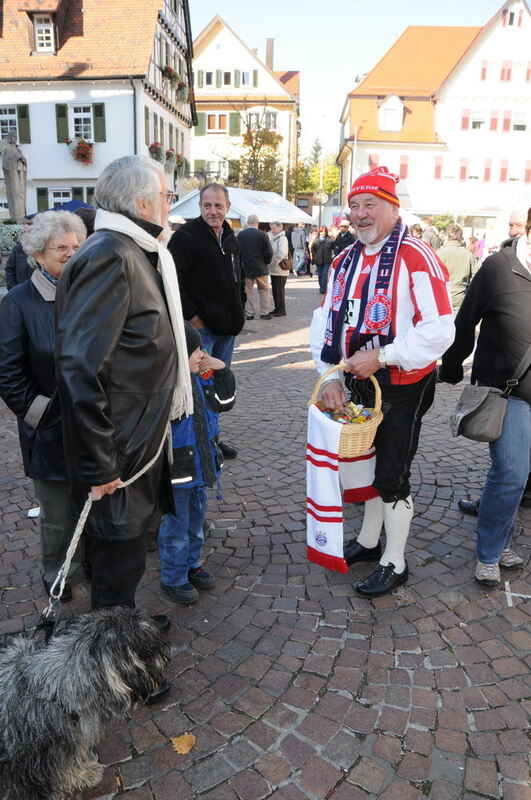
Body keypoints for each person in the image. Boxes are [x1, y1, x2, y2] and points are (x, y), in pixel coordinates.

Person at [55, 156, 191, 645]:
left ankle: (124, 623)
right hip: (119, 450)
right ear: (142, 203)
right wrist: (99, 464)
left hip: (136, 440)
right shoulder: (113, 255)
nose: (169, 207)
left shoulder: (133, 251)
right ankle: (117, 657)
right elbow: (79, 367)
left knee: (128, 557)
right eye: (166, 197)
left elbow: (138, 337)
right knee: (115, 563)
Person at [310, 166, 454, 597]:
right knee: (362, 465)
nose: (359, 214)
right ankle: (371, 542)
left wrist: (383, 355)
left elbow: (440, 330)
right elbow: (323, 321)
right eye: (354, 205)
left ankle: (396, 559)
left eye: (370, 204)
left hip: (403, 382)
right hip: (355, 376)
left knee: (391, 473)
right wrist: (327, 375)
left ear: (393, 208)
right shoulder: (343, 259)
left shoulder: (416, 255)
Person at [439, 210, 531, 585]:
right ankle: (491, 551)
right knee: (512, 472)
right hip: (509, 392)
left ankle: (498, 528)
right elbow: (465, 320)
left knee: (520, 477)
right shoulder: (497, 267)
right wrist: (452, 365)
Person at [0, 211, 87, 601]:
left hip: (92, 423)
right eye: (61, 248)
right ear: (38, 254)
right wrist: (40, 414)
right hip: (48, 427)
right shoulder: (18, 302)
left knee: (91, 502)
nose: (71, 254)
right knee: (56, 513)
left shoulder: (90, 291)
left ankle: (88, 565)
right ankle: (57, 572)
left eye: (76, 246)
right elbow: (6, 370)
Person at [158, 323, 236, 604]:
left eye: (202, 349)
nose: (202, 354)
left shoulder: (204, 377)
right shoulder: (166, 386)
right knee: (176, 526)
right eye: (195, 351)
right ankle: (173, 576)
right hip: (178, 470)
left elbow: (225, 402)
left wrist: (223, 369)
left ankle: (192, 564)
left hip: (202, 467)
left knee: (196, 521)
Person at [168, 183, 244, 460]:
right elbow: (173, 280)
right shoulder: (186, 237)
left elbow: (238, 278)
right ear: (199, 206)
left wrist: (241, 307)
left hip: (227, 329)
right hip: (203, 332)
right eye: (207, 205)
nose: (213, 211)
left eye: (218, 205)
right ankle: (200, 444)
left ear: (228, 206)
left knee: (218, 389)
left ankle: (213, 439)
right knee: (200, 388)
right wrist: (193, 317)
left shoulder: (231, 237)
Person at [238, 214, 273, 321]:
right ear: (257, 222)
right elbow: (269, 252)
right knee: (264, 290)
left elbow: (237, 252)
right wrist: (266, 262)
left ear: (248, 222)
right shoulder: (262, 235)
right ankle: (264, 312)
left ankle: (249, 313)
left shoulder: (240, 235)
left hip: (245, 267)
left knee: (248, 291)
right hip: (260, 267)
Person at [436, 223, 477, 310]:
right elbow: (475, 280)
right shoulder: (469, 256)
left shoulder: (437, 254)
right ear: (461, 237)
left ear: (447, 236)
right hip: (460, 300)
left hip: (441, 300)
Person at [2, 133, 27, 222]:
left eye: (16, 137)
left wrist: (23, 160)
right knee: (15, 194)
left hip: (20, 172)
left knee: (21, 194)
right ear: (10, 138)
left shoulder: (18, 149)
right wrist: (15, 158)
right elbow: (5, 165)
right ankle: (16, 216)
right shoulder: (8, 149)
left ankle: (21, 215)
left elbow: (23, 160)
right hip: (13, 175)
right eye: (14, 137)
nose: (15, 138)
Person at [268, 221, 289, 317]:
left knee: (279, 291)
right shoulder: (275, 238)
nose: (272, 230)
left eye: (273, 228)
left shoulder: (282, 238)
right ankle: (277, 308)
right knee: (275, 291)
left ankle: (281, 310)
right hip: (275, 270)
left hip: (279, 270)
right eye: (271, 228)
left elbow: (281, 253)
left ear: (280, 228)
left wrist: (273, 264)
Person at [5, 218, 33, 289]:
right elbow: (9, 269)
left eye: (30, 232)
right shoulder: (17, 249)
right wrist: (12, 288)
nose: (27, 235)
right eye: (25, 232)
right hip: (20, 292)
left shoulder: (43, 249)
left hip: (39, 294)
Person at [311, 225, 334, 294]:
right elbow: (313, 249)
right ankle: (321, 287)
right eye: (321, 232)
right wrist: (314, 258)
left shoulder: (330, 239)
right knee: (320, 275)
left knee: (324, 274)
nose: (322, 233)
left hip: (327, 260)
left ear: (326, 232)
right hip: (318, 260)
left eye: (324, 232)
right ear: (319, 232)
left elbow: (333, 248)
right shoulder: (315, 240)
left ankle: (323, 289)